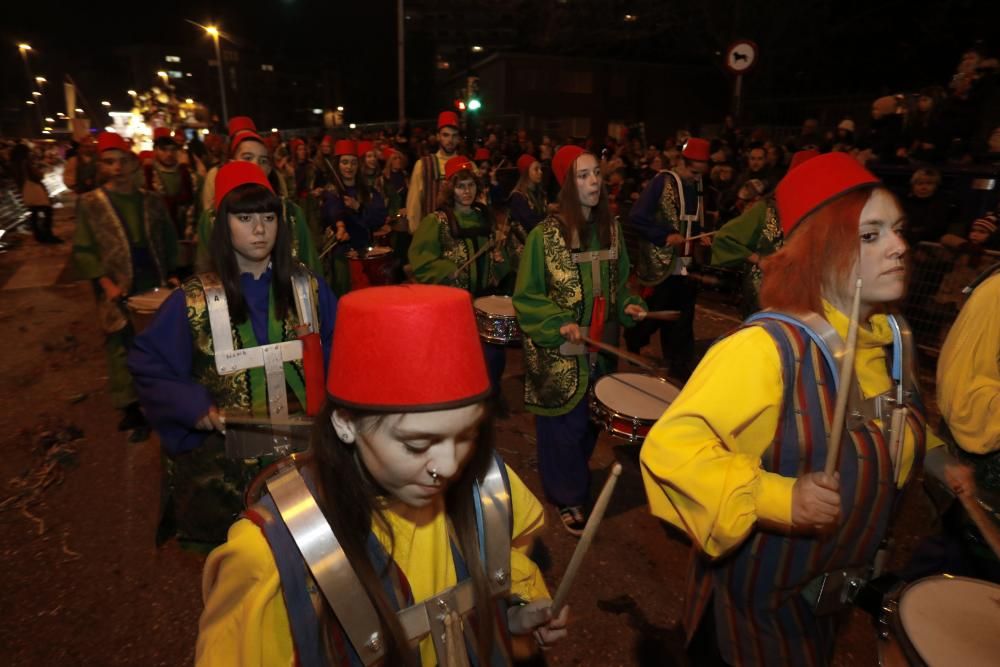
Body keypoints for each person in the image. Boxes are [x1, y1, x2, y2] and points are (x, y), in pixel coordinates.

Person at [640, 152, 943, 666]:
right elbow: (670, 449)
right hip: (754, 615)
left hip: (822, 612)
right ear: (822, 250)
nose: (899, 247)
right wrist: (777, 496)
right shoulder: (765, 349)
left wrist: (937, 457)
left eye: (897, 229)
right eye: (871, 235)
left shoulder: (889, 340)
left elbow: (893, 421)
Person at [195, 284, 568, 666]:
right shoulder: (272, 555)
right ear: (345, 424)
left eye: (467, 435)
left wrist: (515, 622)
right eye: (417, 445)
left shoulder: (488, 485)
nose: (451, 465)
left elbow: (500, 583)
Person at [129, 161, 336, 548]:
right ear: (223, 225)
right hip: (230, 471)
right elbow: (147, 362)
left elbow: (342, 348)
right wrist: (193, 405)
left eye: (269, 216)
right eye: (245, 217)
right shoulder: (192, 302)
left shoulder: (308, 286)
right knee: (245, 569)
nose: (260, 229)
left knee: (313, 559)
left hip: (307, 456)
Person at [513, 146, 646, 535]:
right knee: (562, 429)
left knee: (588, 426)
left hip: (601, 348)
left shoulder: (612, 229)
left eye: (596, 175)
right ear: (568, 186)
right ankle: (567, 496)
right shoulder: (544, 236)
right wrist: (558, 321)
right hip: (560, 353)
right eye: (583, 176)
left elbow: (620, 284)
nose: (593, 182)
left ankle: (570, 480)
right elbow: (527, 296)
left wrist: (632, 306)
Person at [72, 131, 179, 441]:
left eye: (122, 161)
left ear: (133, 164)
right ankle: (129, 405)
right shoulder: (91, 203)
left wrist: (172, 271)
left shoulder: (150, 200)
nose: (117, 168)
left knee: (157, 339)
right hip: (116, 283)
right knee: (120, 342)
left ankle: (160, 397)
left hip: (152, 277)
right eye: (109, 162)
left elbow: (168, 236)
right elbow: (84, 248)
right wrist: (105, 282)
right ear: (101, 165)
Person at [409, 156, 511, 404]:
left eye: (471, 185)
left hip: (484, 301)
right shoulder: (436, 222)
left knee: (493, 356)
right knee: (457, 356)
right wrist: (447, 268)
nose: (467, 192)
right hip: (453, 305)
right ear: (450, 189)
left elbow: (500, 261)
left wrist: (499, 258)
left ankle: (490, 398)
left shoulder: (484, 218)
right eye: (460, 186)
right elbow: (419, 262)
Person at [625, 137, 711, 380]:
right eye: (694, 172)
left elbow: (691, 222)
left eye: (700, 174)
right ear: (682, 163)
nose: (697, 178)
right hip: (661, 261)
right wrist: (665, 235)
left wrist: (699, 235)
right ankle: (634, 341)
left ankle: (679, 365)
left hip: (685, 263)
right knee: (654, 311)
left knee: (683, 315)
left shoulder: (697, 185)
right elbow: (637, 216)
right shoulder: (661, 182)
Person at [194, 125, 321, 276]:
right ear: (232, 162)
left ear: (269, 169)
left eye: (263, 160)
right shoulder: (212, 218)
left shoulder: (291, 212)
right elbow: (204, 271)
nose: (255, 165)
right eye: (247, 158)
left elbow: (311, 267)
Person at [711, 150, 819, 317]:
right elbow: (726, 237)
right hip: (765, 292)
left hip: (802, 295)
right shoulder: (767, 209)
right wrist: (759, 260)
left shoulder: (820, 214)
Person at [321, 139, 390, 295]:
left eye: (353, 163)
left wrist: (358, 207)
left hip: (365, 252)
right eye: (344, 162)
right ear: (338, 165)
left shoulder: (369, 191)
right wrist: (340, 225)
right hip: (341, 255)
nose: (349, 167)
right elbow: (332, 210)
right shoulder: (332, 191)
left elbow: (379, 218)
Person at [406, 111, 462, 233]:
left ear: (458, 139)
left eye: (454, 136)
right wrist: (415, 232)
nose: (450, 140)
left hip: (461, 232)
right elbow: (414, 203)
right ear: (438, 136)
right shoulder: (423, 165)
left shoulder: (467, 165)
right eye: (445, 135)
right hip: (432, 233)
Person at [11, 142, 61, 244]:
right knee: (48, 211)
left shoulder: (15, 164)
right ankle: (48, 235)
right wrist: (40, 173)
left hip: (25, 191)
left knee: (34, 213)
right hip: (34, 190)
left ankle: (38, 236)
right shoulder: (26, 163)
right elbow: (36, 176)